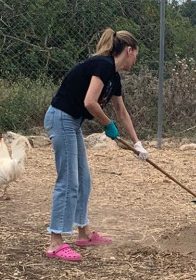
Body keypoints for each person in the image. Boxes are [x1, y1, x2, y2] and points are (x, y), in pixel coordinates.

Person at [43, 28, 148, 262]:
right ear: (129, 50)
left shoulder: (114, 77)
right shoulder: (103, 65)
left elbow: (122, 111)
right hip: (61, 118)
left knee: (84, 179)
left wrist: (137, 144)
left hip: (72, 122)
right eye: (136, 55)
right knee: (68, 181)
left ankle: (83, 232)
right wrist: (107, 125)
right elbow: (90, 102)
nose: (135, 61)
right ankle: (55, 243)